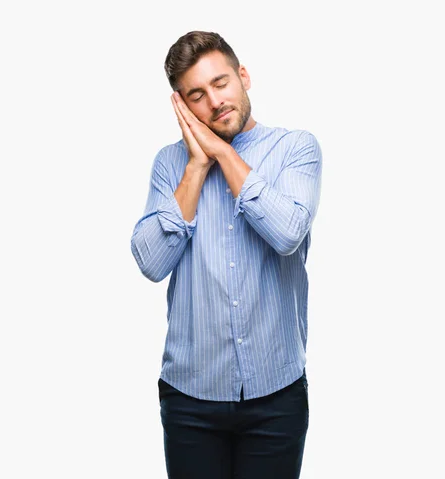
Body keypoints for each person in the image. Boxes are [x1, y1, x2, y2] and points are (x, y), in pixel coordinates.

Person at [130, 30, 322, 478]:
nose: (215, 101)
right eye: (197, 94)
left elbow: (287, 232)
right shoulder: (169, 163)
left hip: (276, 396)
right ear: (183, 105)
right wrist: (198, 165)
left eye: (221, 83)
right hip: (190, 398)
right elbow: (151, 263)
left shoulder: (296, 149)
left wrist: (220, 150)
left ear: (243, 76)